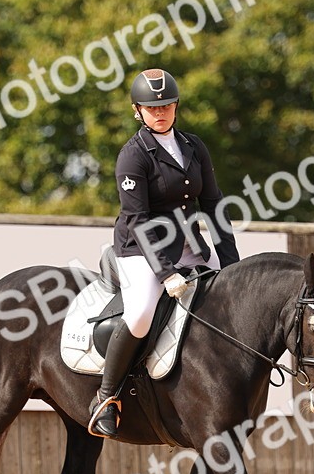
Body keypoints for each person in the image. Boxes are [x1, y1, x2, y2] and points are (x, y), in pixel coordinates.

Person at [88, 69, 241, 437]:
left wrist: (234, 262)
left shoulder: (193, 146)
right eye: (152, 107)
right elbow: (139, 220)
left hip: (189, 244)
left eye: (167, 105)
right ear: (137, 111)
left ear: (176, 107)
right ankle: (106, 397)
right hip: (141, 250)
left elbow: (213, 204)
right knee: (141, 313)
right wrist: (166, 272)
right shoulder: (133, 156)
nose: (161, 112)